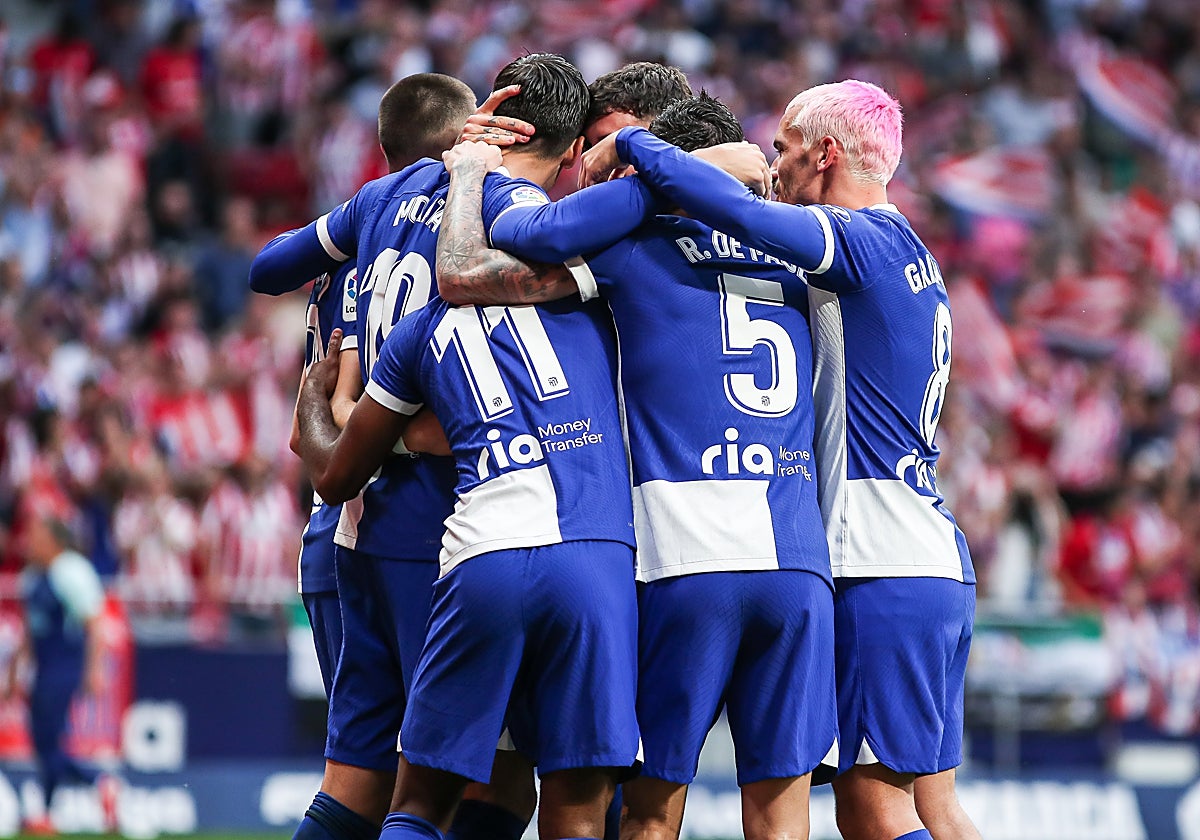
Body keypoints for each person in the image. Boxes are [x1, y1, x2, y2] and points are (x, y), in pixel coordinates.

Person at [579, 79, 981, 840]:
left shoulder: (855, 240)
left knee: (874, 811)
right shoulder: (912, 252)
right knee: (935, 804)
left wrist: (635, 142)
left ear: (827, 155)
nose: (773, 168)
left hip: (877, 559)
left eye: (786, 152)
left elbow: (736, 207)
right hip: (931, 557)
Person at [435, 93, 838, 840]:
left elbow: (491, 256)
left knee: (650, 811)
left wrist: (602, 174)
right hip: (797, 564)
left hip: (689, 561)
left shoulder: (634, 248)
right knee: (783, 815)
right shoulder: (797, 253)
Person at [295, 51, 640, 840]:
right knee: (573, 806)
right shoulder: (602, 278)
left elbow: (340, 465)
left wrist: (313, 409)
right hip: (598, 552)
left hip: (466, 548)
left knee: (411, 799)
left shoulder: (419, 323)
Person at [255, 73, 535, 840]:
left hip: (339, 523)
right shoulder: (474, 216)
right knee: (478, 780)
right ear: (468, 139)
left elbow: (266, 267)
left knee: (361, 774)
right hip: (431, 516)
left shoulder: (369, 214)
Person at [5, 504, 116, 836]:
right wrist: (12, 673)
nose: (29, 543)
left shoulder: (71, 571)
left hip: (64, 666)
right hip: (43, 667)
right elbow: (29, 631)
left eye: (37, 536)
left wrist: (94, 671)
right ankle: (54, 809)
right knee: (42, 742)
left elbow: (95, 624)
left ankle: (95, 782)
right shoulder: (33, 576)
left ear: (54, 540)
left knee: (50, 741)